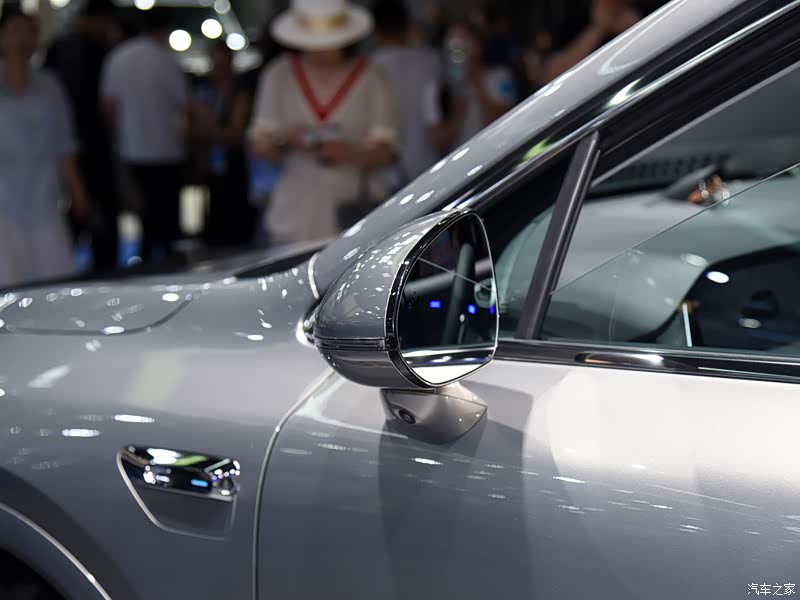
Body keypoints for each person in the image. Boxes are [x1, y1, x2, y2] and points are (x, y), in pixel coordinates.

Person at [250, 0, 399, 245]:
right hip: (294, 212)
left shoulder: (372, 78)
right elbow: (260, 145)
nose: (320, 49)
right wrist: (287, 138)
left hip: (354, 211)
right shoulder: (279, 75)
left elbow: (387, 151)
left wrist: (351, 152)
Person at [0, 9, 90, 288]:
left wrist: (77, 191)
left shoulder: (50, 85)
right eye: (14, 31)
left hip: (44, 194)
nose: (22, 39)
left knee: (54, 278)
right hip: (3, 196)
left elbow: (65, 142)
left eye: (29, 32)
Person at [101, 8, 188, 262]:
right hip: (166, 150)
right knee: (166, 220)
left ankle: (143, 263)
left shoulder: (119, 57)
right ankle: (167, 266)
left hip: (132, 149)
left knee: (142, 216)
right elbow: (183, 106)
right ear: (165, 30)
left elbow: (108, 107)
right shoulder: (167, 59)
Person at [45, 0, 119, 271]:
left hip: (65, 144)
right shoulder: (99, 50)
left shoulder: (59, 48)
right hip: (91, 145)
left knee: (73, 217)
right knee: (95, 218)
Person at [190, 43, 256, 248]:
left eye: (221, 63)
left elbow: (235, 134)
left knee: (234, 217)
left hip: (235, 164)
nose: (217, 69)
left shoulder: (240, 92)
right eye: (214, 63)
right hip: (211, 164)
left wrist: (207, 122)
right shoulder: (206, 91)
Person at [372, 0, 441, 184]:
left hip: (384, 177)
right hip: (428, 169)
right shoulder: (432, 63)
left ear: (375, 31)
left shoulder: (369, 70)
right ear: (407, 26)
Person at [425, 21, 518, 156]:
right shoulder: (437, 88)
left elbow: (506, 125)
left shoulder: (501, 77)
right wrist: (457, 118)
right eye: (453, 45)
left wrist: (476, 80)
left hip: (496, 156)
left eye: (464, 43)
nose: (459, 51)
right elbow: (438, 143)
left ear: (478, 45)